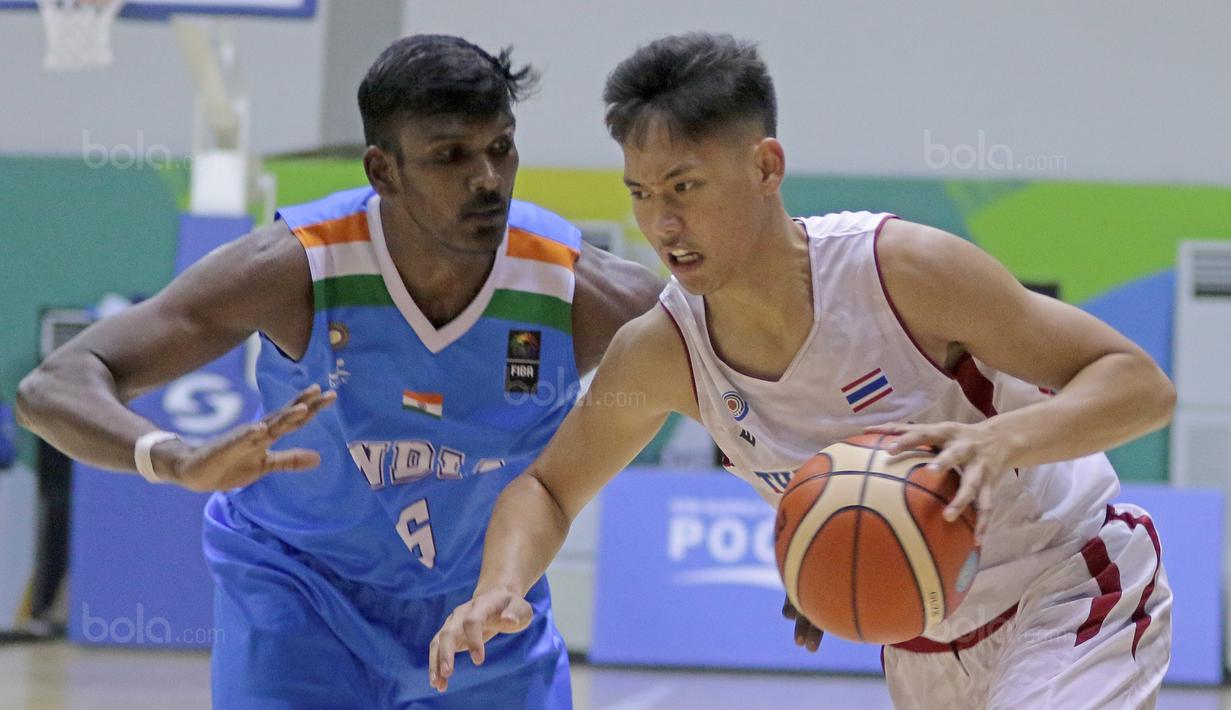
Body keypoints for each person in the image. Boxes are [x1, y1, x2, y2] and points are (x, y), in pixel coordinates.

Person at [429, 32, 1175, 709]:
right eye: (641, 194)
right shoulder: (661, 351)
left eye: (684, 187)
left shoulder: (902, 273)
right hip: (919, 649)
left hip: (1069, 585)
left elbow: (1138, 385)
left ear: (765, 166)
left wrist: (1000, 442)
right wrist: (497, 588)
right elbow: (547, 487)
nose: (661, 225)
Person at [16, 34, 662, 709]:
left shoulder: (582, 290)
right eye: (451, 156)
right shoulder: (294, 269)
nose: (487, 180)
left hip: (484, 605)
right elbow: (53, 386)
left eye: (500, 148)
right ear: (382, 172)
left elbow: (733, 385)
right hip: (301, 593)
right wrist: (172, 459)